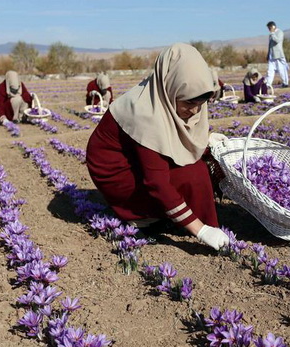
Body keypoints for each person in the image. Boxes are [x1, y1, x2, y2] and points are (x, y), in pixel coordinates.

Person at [86, 43, 229, 251]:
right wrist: (201, 230)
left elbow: (175, 140)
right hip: (116, 171)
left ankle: (177, 215)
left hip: (136, 155)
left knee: (201, 162)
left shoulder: (168, 96)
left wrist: (206, 142)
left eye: (201, 102)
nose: (196, 110)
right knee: (192, 174)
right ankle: (142, 218)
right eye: (189, 103)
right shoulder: (146, 114)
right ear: (171, 88)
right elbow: (157, 183)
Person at [265, 21, 289, 88]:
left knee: (281, 70)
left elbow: (277, 40)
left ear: (273, 26)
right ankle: (268, 84)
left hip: (278, 55)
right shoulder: (271, 34)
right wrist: (268, 54)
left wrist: (272, 33)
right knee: (270, 71)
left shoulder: (280, 32)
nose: (269, 29)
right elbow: (270, 45)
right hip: (272, 56)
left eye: (269, 28)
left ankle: (285, 83)